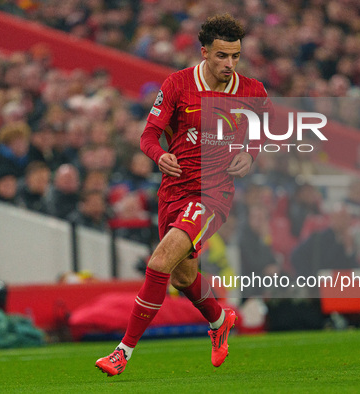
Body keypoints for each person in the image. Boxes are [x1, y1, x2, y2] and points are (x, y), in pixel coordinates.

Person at [96, 14, 269, 376]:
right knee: (181, 276)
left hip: (213, 193)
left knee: (159, 263)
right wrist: (161, 156)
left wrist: (249, 154)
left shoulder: (252, 91)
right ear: (204, 52)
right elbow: (147, 136)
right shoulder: (177, 84)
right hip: (173, 191)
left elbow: (262, 132)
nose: (229, 64)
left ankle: (122, 352)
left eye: (235, 56)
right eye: (222, 56)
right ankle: (220, 319)